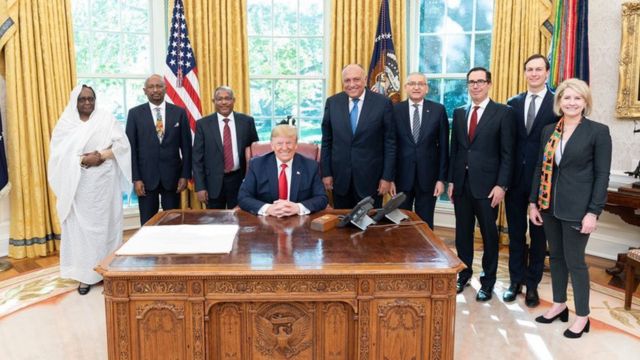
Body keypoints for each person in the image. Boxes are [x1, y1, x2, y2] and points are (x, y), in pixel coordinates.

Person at [529, 78, 612, 338]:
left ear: (585, 102)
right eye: (567, 98)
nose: (572, 102)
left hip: (579, 208)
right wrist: (533, 202)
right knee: (555, 258)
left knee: (575, 262)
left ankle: (583, 316)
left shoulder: (598, 131)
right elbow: (540, 169)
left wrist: (593, 211)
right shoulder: (549, 131)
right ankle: (559, 304)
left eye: (577, 98)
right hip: (549, 205)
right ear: (559, 102)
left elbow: (602, 175)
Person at [48, 85, 131, 295]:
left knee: (107, 228)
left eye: (91, 99)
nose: (87, 103)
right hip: (78, 187)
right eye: (83, 99)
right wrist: (84, 159)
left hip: (105, 186)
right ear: (75, 101)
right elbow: (58, 157)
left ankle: (108, 271)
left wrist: (101, 155)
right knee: (82, 231)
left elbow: (122, 146)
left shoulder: (106, 118)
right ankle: (85, 276)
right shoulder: (66, 123)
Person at [447, 67, 515, 301]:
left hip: (488, 187)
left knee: (488, 235)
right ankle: (464, 274)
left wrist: (502, 185)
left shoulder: (503, 113)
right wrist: (451, 181)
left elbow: (508, 154)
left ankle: (488, 281)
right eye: (471, 82)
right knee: (462, 234)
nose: (475, 86)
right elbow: (454, 149)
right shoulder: (458, 113)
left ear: (489, 84)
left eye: (480, 81)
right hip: (462, 185)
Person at [503, 55, 559, 307]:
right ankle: (515, 280)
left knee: (538, 236)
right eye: (529, 69)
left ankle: (533, 283)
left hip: (545, 180)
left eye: (538, 69)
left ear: (547, 73)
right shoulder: (512, 103)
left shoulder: (557, 103)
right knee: (516, 233)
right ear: (524, 73)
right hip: (515, 179)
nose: (534, 73)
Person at [321, 64, 395, 208]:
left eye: (356, 79)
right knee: (342, 226)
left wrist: (387, 177)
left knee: (369, 227)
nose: (352, 84)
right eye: (347, 80)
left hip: (371, 180)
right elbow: (326, 141)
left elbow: (390, 143)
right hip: (340, 179)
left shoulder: (383, 103)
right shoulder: (333, 102)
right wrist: (326, 173)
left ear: (365, 79)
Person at [125, 74, 192, 225]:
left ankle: (171, 248)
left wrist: (184, 175)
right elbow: (131, 150)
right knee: (148, 223)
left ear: (166, 89)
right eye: (151, 87)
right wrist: (136, 178)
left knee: (173, 221)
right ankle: (149, 248)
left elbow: (187, 147)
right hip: (146, 178)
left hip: (173, 179)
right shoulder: (135, 114)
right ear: (145, 90)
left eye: (159, 86)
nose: (155, 90)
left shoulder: (179, 112)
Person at [390, 72, 449, 229]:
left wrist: (441, 179)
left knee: (425, 224)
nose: (416, 87)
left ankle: (426, 254)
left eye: (421, 84)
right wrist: (390, 178)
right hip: (401, 179)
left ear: (427, 88)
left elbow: (444, 147)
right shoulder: (395, 110)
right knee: (401, 224)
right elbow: (391, 146)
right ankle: (403, 254)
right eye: (412, 83)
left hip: (429, 179)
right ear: (406, 87)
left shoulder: (438, 110)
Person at [238, 124, 328, 216]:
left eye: (289, 143)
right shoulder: (257, 165)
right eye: (279, 144)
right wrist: (268, 208)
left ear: (296, 145)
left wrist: (298, 208)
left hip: (299, 220)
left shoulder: (311, 166)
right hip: (266, 220)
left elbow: (322, 198)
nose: (284, 148)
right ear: (272, 146)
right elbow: (243, 197)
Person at [193, 86, 259, 209]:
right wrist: (200, 187)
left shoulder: (247, 121)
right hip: (213, 183)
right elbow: (197, 158)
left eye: (227, 98)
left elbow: (255, 153)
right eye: (219, 99)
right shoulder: (203, 124)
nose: (223, 102)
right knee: (215, 223)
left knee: (240, 220)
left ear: (233, 100)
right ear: (214, 101)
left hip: (240, 180)